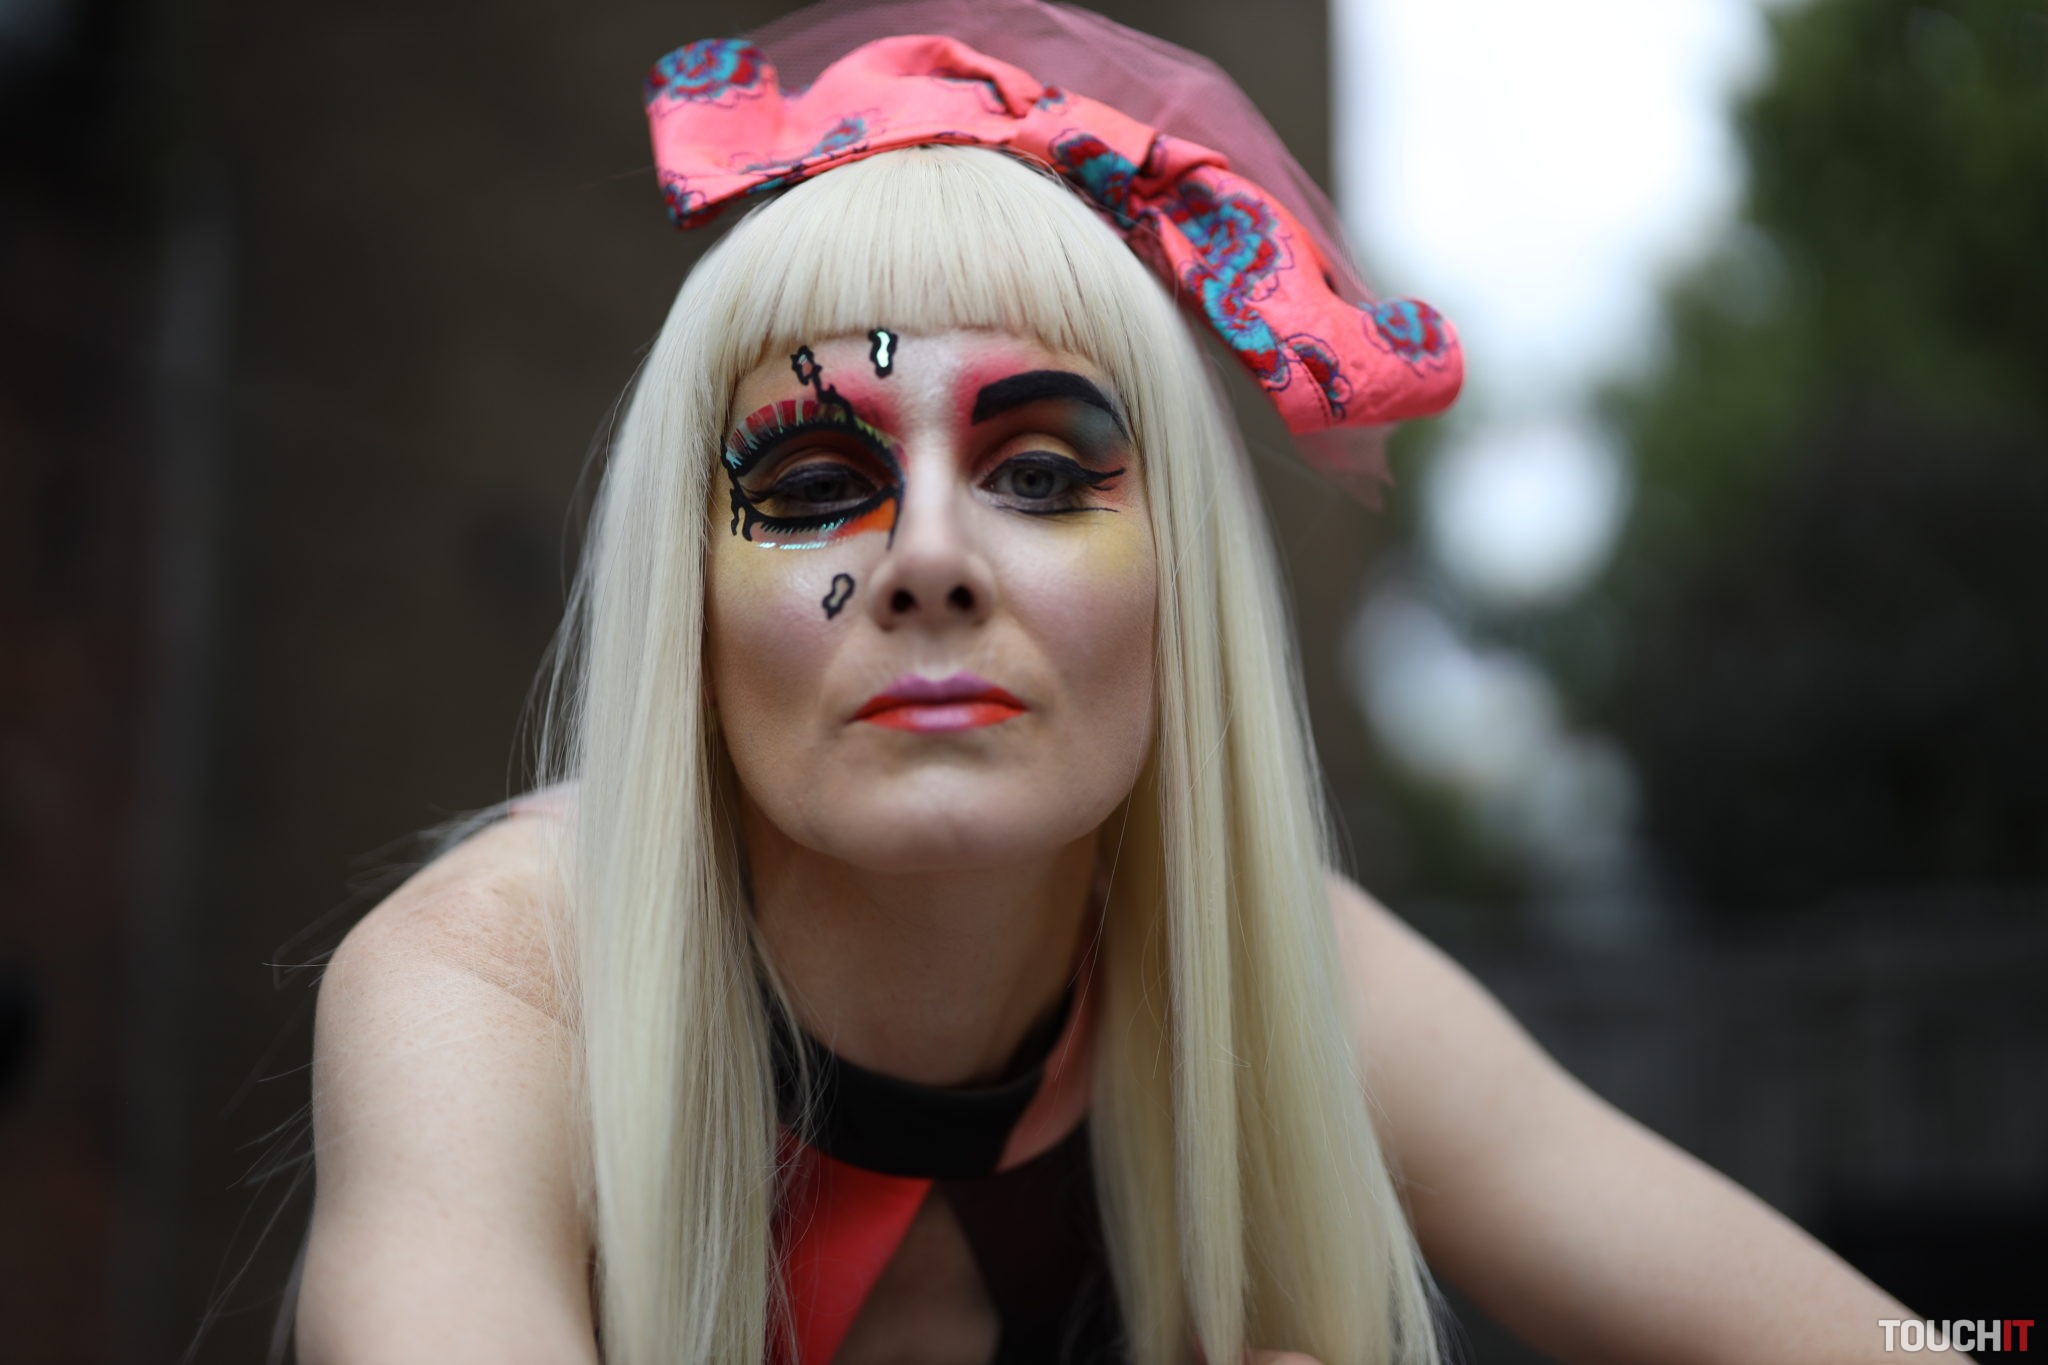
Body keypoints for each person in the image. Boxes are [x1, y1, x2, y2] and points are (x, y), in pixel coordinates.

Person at [288, 4, 1954, 1363]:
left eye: (1038, 473)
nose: (930, 558)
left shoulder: (1265, 953)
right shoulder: (489, 989)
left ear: (1181, 583)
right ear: (689, 599)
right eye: (812, 486)